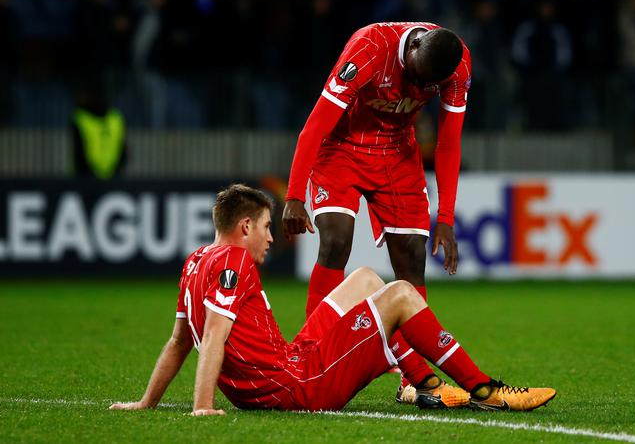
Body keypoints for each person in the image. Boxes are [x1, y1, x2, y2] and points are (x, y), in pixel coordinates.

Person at [110, 184, 556, 415]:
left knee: (364, 277)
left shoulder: (194, 261)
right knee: (400, 293)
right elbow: (213, 334)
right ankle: (485, 390)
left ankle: (422, 386)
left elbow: (178, 343)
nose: (270, 238)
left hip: (287, 362)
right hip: (295, 386)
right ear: (244, 226)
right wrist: (202, 407)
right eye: (266, 227)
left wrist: (147, 403)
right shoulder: (235, 262)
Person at [282, 22, 471, 405]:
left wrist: (446, 218)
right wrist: (294, 194)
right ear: (413, 46)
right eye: (417, 77)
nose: (419, 90)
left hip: (398, 155)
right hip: (342, 148)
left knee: (412, 259)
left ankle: (411, 379)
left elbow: (449, 144)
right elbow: (317, 123)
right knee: (335, 241)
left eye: (428, 87)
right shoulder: (369, 48)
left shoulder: (457, 68)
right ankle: (310, 353)